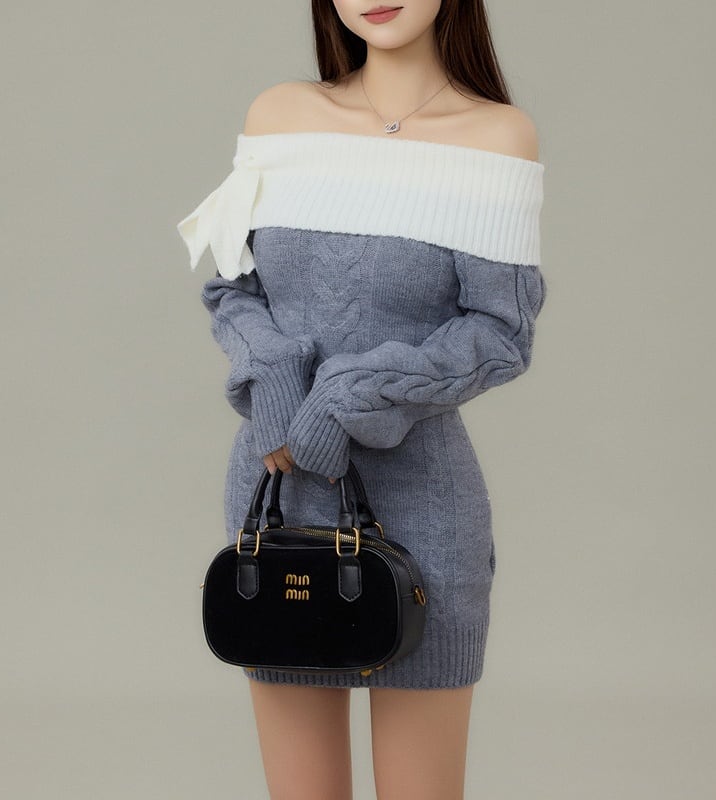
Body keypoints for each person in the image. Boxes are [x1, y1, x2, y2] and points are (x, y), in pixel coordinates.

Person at [177, 2, 547, 798]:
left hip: (425, 511)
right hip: (277, 494)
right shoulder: (280, 116)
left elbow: (499, 333)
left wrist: (348, 392)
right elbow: (233, 288)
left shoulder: (496, 136)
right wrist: (275, 372)